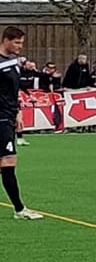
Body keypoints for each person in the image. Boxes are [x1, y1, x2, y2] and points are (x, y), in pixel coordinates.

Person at [0, 27, 43, 219]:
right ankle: (19, 209)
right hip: (0, 117)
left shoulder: (14, 62)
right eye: (16, 42)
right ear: (5, 40)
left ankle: (19, 208)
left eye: (21, 43)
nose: (19, 46)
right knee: (8, 160)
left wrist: (17, 111)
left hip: (9, 116)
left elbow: (13, 89)